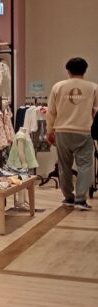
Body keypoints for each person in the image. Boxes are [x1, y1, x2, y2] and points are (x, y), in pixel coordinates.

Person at [47, 57, 98, 210]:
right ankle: (80, 199)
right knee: (85, 165)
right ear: (85, 70)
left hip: (62, 131)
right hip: (84, 131)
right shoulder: (93, 88)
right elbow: (97, 112)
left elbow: (51, 112)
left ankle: (68, 197)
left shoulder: (58, 87)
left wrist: (50, 131)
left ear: (68, 71)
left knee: (64, 166)